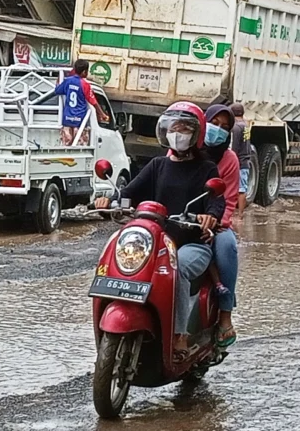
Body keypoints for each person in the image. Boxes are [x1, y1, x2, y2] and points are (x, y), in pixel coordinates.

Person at [94, 102, 223, 357]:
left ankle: (180, 335)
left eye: (186, 128)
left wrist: (210, 216)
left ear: (197, 135)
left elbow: (217, 202)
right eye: (175, 127)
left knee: (179, 269)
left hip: (191, 245)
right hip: (154, 244)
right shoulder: (157, 165)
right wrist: (109, 200)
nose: (179, 133)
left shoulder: (206, 169)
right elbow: (128, 193)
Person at [204, 104, 240, 348]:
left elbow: (229, 201)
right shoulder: (183, 151)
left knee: (227, 246)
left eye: (224, 128)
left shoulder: (229, 160)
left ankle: (225, 315)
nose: (217, 130)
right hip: (182, 218)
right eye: (213, 123)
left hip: (215, 223)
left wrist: (217, 223)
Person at [53, 59, 109, 145]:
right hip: (80, 122)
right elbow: (94, 102)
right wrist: (103, 115)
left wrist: (58, 81)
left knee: (65, 148)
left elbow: (57, 90)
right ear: (84, 72)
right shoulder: (85, 85)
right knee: (80, 148)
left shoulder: (68, 81)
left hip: (67, 120)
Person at [229, 103, 252, 213]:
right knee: (242, 189)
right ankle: (240, 215)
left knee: (239, 190)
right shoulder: (245, 125)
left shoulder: (235, 127)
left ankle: (239, 215)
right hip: (246, 161)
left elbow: (234, 147)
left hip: (239, 162)